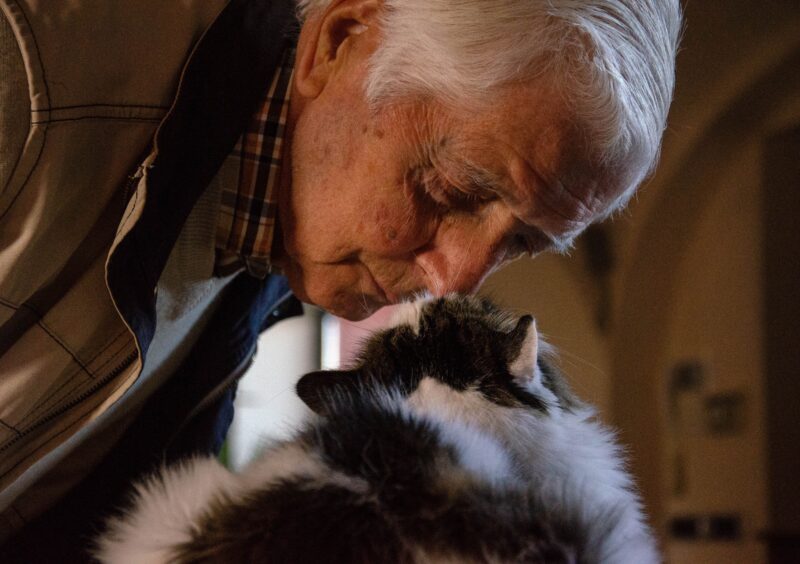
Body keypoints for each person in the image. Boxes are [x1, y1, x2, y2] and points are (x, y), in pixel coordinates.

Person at [0, 0, 681, 559]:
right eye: (449, 189)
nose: (454, 281)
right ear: (339, 42)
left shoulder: (276, 235)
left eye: (524, 242)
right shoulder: (28, 73)